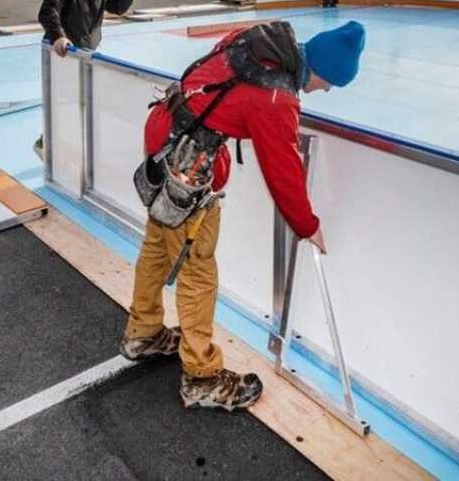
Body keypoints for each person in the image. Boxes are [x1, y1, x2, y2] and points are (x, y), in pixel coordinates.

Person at [123, 20, 365, 411]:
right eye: (331, 83)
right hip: (187, 167)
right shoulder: (277, 99)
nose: (326, 90)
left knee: (157, 242)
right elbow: (282, 169)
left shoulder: (257, 39)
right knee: (197, 268)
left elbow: (217, 77)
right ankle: (201, 376)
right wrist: (308, 225)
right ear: (321, 70)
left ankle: (144, 332)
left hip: (165, 134)